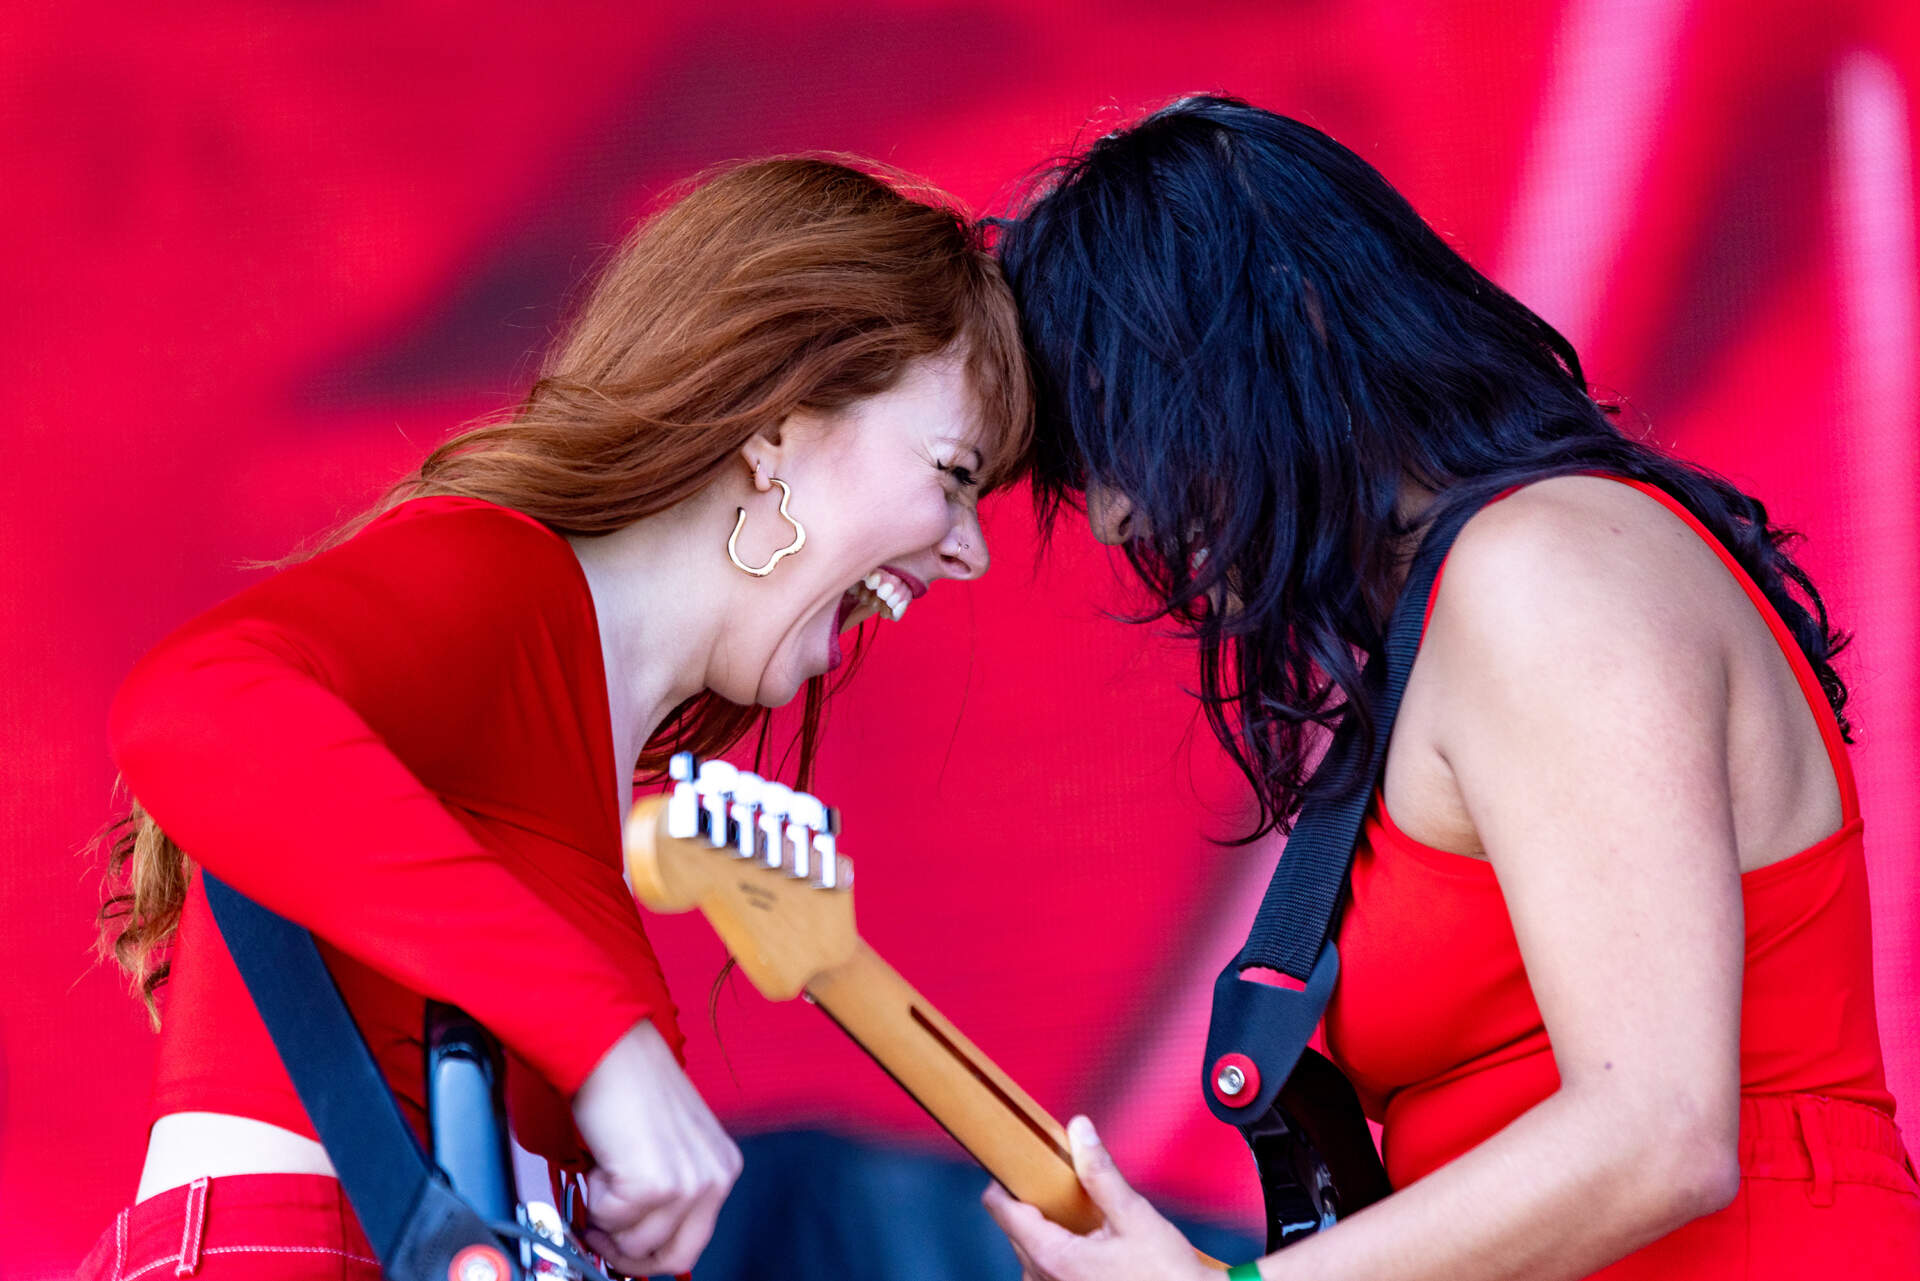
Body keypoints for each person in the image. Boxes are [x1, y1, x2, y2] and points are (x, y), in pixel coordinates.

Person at [982, 96, 1919, 1280]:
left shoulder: (1542, 575)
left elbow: (1662, 1135)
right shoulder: (1457, 607)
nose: (1118, 512)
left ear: (1291, 339)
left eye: (1130, 435)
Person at [84, 155, 1032, 1281]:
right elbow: (199, 706)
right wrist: (614, 1053)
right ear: (781, 422)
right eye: (956, 472)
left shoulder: (578, 742)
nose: (969, 549)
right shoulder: (498, 578)